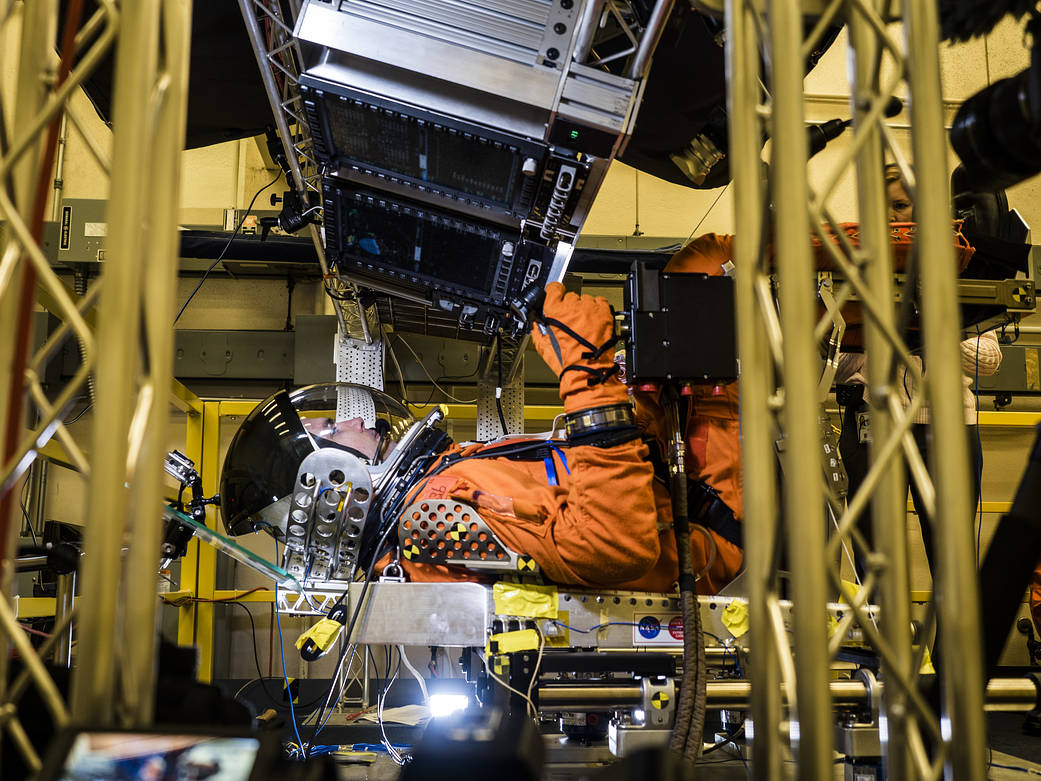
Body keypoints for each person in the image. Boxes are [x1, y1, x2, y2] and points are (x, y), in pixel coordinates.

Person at [220, 244, 745, 595]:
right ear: (333, 481)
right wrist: (588, 375)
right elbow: (614, 543)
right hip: (715, 525)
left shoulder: (430, 494)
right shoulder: (429, 522)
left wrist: (639, 395)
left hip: (674, 480)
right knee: (706, 269)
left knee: (693, 285)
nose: (355, 423)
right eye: (332, 433)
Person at [836, 164, 1002, 576]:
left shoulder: (961, 266)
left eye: (900, 205)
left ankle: (951, 644)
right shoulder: (848, 268)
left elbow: (988, 360)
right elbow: (833, 370)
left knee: (954, 568)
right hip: (870, 426)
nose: (891, 215)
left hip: (947, 426)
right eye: (882, 206)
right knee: (874, 566)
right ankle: (878, 641)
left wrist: (933, 321)